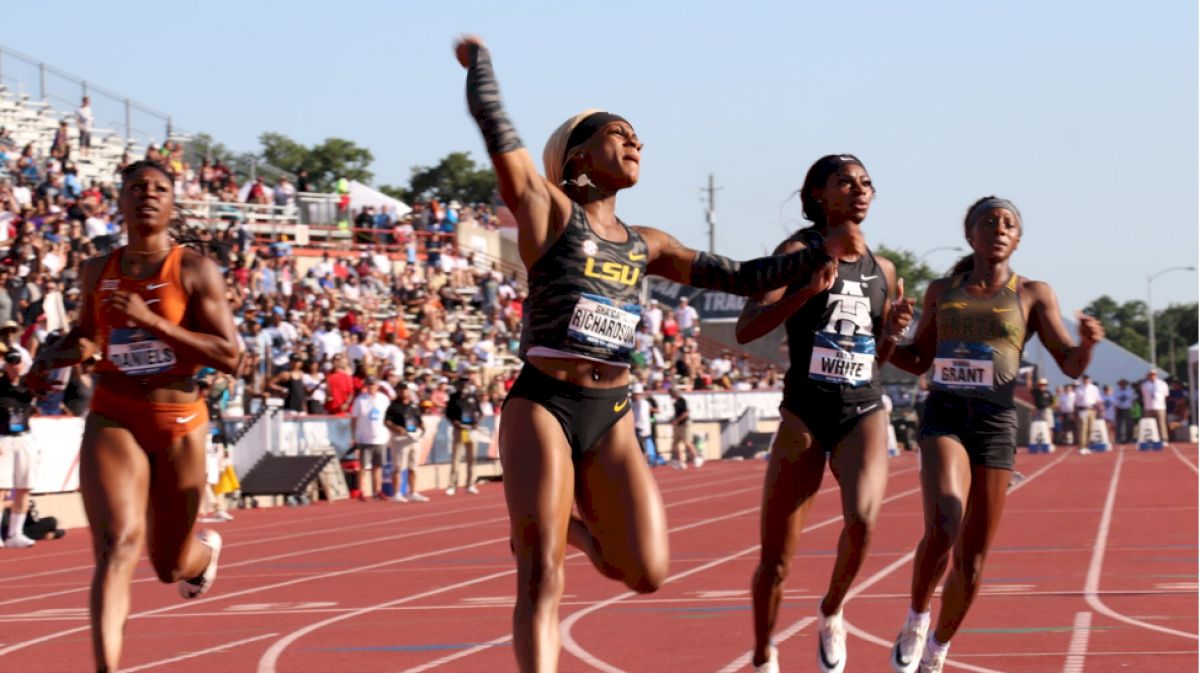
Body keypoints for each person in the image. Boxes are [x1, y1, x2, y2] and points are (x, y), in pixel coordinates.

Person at [456, 36, 858, 673]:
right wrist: (480, 67)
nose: (635, 142)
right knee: (540, 576)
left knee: (644, 570)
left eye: (638, 135)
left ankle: (561, 523)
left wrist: (819, 253)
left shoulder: (648, 243)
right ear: (581, 156)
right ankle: (544, 538)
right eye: (619, 134)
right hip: (545, 402)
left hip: (611, 409)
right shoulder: (549, 211)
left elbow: (744, 275)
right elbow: (498, 134)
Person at [27, 160, 242, 672]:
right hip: (115, 412)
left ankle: (203, 556)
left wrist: (151, 322)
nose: (147, 195)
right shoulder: (97, 270)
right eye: (136, 188)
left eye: (159, 188)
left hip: (178, 420)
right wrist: (59, 355)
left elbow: (230, 356)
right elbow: (88, 334)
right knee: (117, 546)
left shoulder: (193, 269)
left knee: (169, 565)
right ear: (120, 203)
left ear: (172, 202)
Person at [885, 197, 1102, 673]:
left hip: (995, 424)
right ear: (970, 235)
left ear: (1018, 239)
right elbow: (916, 360)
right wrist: (886, 336)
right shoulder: (942, 290)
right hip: (945, 414)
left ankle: (937, 651)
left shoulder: (1033, 293)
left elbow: (1068, 364)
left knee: (974, 558)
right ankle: (917, 617)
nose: (998, 229)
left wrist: (1086, 345)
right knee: (945, 518)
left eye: (1008, 224)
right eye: (988, 222)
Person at [735, 153, 911, 673]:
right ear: (818, 195)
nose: (859, 190)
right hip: (805, 413)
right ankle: (765, 654)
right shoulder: (794, 253)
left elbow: (873, 351)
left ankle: (832, 610)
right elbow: (747, 327)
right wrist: (808, 291)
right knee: (777, 558)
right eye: (845, 182)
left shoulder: (885, 268)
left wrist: (893, 333)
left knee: (863, 518)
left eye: (867, 183)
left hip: (863, 408)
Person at [0, 346, 38, 548]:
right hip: (3, 438)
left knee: (24, 487)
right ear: (5, 365)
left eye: (17, 362)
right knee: (1, 487)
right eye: (11, 362)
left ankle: (16, 533)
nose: (14, 367)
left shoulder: (28, 387)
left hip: (24, 437)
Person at [384, 384, 429, 503]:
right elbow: (387, 422)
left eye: (405, 389)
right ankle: (397, 493)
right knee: (398, 467)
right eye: (401, 389)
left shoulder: (414, 405)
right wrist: (396, 428)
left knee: (413, 467)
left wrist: (422, 429)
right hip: (400, 439)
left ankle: (413, 492)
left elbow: (419, 420)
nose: (404, 392)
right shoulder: (393, 406)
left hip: (414, 438)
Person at [350, 375, 390, 501]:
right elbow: (354, 419)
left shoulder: (384, 399)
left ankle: (377, 490)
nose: (371, 387)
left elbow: (388, 417)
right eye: (369, 385)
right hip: (364, 438)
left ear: (377, 386)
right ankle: (362, 491)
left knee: (378, 466)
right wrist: (354, 436)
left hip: (380, 437)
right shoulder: (360, 400)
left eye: (373, 384)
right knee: (363, 466)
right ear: (366, 386)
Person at [444, 376, 483, 495]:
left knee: (472, 458)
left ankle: (470, 484)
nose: (464, 385)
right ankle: (452, 485)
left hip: (471, 430)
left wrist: (477, 422)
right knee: (456, 458)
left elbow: (480, 412)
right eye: (462, 383)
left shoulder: (473, 397)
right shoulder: (454, 397)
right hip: (460, 430)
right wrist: (454, 422)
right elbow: (448, 414)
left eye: (466, 383)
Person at [668, 385, 701, 469]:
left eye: (671, 393)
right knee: (675, 443)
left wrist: (677, 420)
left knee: (687, 442)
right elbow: (678, 414)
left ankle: (697, 456)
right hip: (678, 425)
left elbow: (686, 413)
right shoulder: (675, 402)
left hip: (684, 424)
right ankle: (681, 461)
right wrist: (673, 419)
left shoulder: (682, 400)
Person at [1140, 369, 1169, 446]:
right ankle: (1149, 439)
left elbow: (1166, 395)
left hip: (1160, 406)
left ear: (1156, 375)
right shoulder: (1144, 385)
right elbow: (1144, 395)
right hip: (1148, 407)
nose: (1152, 376)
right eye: (1150, 375)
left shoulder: (1162, 384)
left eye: (1153, 375)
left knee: (1161, 423)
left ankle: (1163, 439)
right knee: (1148, 424)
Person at [1075, 375, 1101, 455]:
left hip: (1092, 409)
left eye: (1088, 379)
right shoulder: (1078, 389)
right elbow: (1076, 401)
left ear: (1090, 380)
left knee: (1091, 429)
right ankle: (1082, 447)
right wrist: (1076, 411)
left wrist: (1100, 409)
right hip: (1082, 409)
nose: (1086, 381)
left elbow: (1098, 399)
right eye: (1085, 379)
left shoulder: (1094, 388)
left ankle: (1087, 445)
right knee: (1083, 428)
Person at [1113, 379, 1135, 444]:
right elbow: (1114, 400)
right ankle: (1118, 439)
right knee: (1118, 425)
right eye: (1121, 383)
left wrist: (1132, 408)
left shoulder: (1130, 391)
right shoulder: (1116, 391)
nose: (1123, 385)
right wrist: (1115, 407)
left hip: (1127, 409)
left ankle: (1129, 439)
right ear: (1119, 384)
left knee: (1129, 424)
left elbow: (1133, 400)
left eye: (1124, 383)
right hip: (1119, 409)